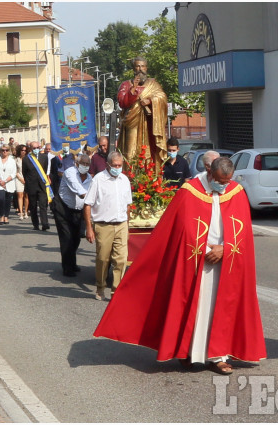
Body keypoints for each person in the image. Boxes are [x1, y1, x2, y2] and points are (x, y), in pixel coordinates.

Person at [94, 156, 266, 374]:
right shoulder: (189, 191)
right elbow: (180, 229)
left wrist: (226, 248)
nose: (224, 186)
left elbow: (243, 231)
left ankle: (217, 355)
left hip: (226, 259)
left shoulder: (236, 191)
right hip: (196, 259)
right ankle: (190, 352)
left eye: (228, 181)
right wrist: (204, 250)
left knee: (221, 307)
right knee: (196, 305)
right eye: (221, 181)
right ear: (210, 173)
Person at [83, 152, 133, 300]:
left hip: (121, 224)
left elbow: (128, 205)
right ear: (108, 165)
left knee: (121, 259)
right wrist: (89, 227)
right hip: (103, 225)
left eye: (120, 165)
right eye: (115, 165)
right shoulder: (99, 179)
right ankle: (100, 286)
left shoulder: (124, 179)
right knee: (103, 259)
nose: (117, 168)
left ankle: (116, 290)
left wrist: (127, 225)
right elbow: (87, 204)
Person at [117, 56, 168, 169]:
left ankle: (147, 178)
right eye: (137, 66)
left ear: (146, 68)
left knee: (148, 151)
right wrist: (132, 90)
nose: (140, 69)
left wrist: (150, 101)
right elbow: (122, 102)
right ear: (133, 69)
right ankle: (130, 177)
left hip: (149, 122)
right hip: (132, 122)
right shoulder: (126, 85)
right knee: (130, 152)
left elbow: (162, 97)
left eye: (142, 66)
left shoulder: (153, 84)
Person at [53, 154, 92, 277]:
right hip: (63, 208)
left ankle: (72, 262)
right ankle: (67, 267)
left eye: (87, 164)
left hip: (78, 211)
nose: (85, 166)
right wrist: (89, 197)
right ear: (76, 164)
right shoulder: (70, 172)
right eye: (83, 164)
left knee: (76, 238)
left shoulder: (90, 178)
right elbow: (78, 189)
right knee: (67, 237)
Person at [22, 141, 52, 231]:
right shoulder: (26, 159)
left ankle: (45, 223)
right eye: (34, 148)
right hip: (32, 185)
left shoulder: (44, 157)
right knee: (33, 206)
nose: (36, 150)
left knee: (43, 204)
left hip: (42, 185)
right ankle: (35, 224)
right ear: (30, 149)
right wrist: (28, 183)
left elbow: (45, 169)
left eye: (37, 148)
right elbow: (24, 173)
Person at [0, 145, 17, 225]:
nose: (4, 152)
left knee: (8, 200)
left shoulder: (12, 160)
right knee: (0, 199)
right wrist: (0, 181)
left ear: (9, 151)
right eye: (3, 150)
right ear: (0, 151)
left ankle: (6, 216)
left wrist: (5, 181)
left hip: (9, 183)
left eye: (6, 150)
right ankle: (1, 215)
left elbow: (14, 173)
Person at [14, 144, 29, 219]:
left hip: (27, 179)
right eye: (22, 150)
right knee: (20, 195)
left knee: (26, 195)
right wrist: (20, 178)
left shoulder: (28, 159)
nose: (24, 152)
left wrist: (26, 179)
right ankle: (21, 212)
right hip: (19, 178)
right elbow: (15, 171)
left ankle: (26, 211)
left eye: (25, 150)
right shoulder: (16, 159)